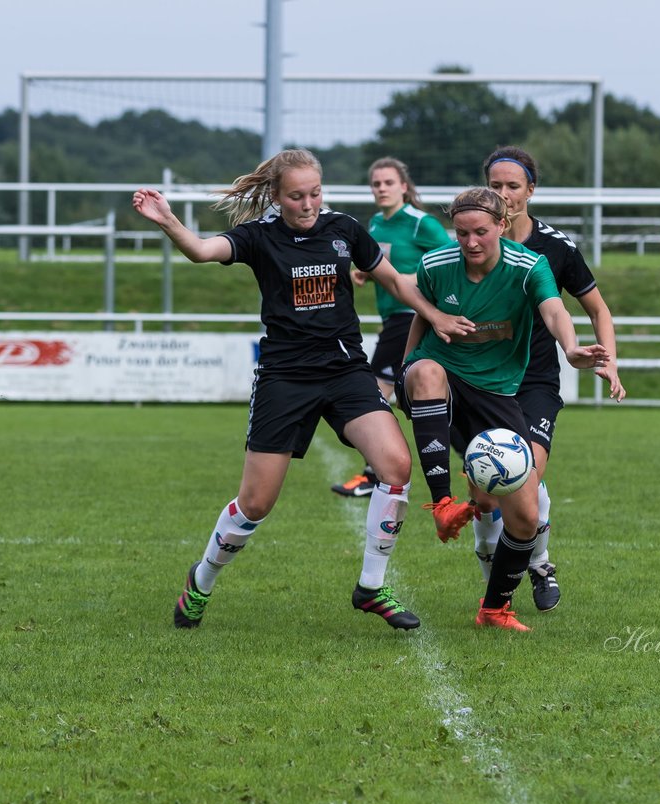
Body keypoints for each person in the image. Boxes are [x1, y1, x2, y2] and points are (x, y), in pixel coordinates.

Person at [132, 149, 474, 631]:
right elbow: (203, 250)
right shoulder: (259, 237)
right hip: (284, 378)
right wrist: (167, 220)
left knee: (395, 465)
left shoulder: (345, 230)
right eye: (296, 196)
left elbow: (394, 280)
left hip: (345, 371)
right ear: (276, 195)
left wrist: (435, 316)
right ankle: (202, 578)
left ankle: (372, 587)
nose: (309, 204)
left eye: (315, 193)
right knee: (255, 504)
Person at [396, 187, 609, 631]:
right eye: (461, 234)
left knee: (526, 515)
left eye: (480, 233)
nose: (470, 242)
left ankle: (494, 608)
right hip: (446, 377)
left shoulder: (530, 266)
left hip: (498, 392)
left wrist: (570, 349)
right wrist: (407, 365)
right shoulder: (436, 263)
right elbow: (422, 311)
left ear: (501, 226)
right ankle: (441, 506)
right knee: (426, 373)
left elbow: (554, 311)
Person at [478, 146, 626, 613]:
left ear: (531, 191)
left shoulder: (556, 248)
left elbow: (598, 308)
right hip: (480, 382)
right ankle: (495, 583)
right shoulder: (473, 242)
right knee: (484, 494)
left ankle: (539, 563)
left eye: (513, 186)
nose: (503, 195)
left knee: (524, 478)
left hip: (535, 382)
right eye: (495, 186)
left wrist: (610, 362)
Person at [332, 157, 451, 498]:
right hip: (392, 318)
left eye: (388, 182)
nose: (381, 189)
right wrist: (365, 274)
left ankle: (374, 474)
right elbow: (377, 264)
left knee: (375, 391)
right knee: (416, 396)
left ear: (404, 186)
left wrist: (397, 279)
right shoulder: (375, 225)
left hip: (410, 315)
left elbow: (449, 266)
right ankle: (472, 453)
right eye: (376, 184)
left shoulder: (420, 223)